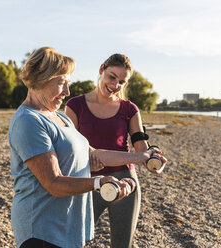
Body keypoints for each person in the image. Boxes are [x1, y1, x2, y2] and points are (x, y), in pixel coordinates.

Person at [8, 47, 163, 248]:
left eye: (68, 84)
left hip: (66, 227)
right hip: (42, 230)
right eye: (62, 83)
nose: (67, 91)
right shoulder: (28, 121)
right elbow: (53, 182)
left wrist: (143, 156)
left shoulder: (59, 117)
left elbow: (94, 154)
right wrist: (99, 182)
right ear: (41, 79)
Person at [65, 53, 167, 248]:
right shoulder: (75, 105)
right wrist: (86, 158)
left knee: (122, 244)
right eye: (112, 77)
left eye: (122, 81)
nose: (115, 85)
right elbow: (69, 147)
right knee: (73, 241)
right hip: (87, 180)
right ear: (101, 69)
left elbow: (141, 148)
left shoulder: (130, 109)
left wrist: (154, 161)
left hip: (125, 181)